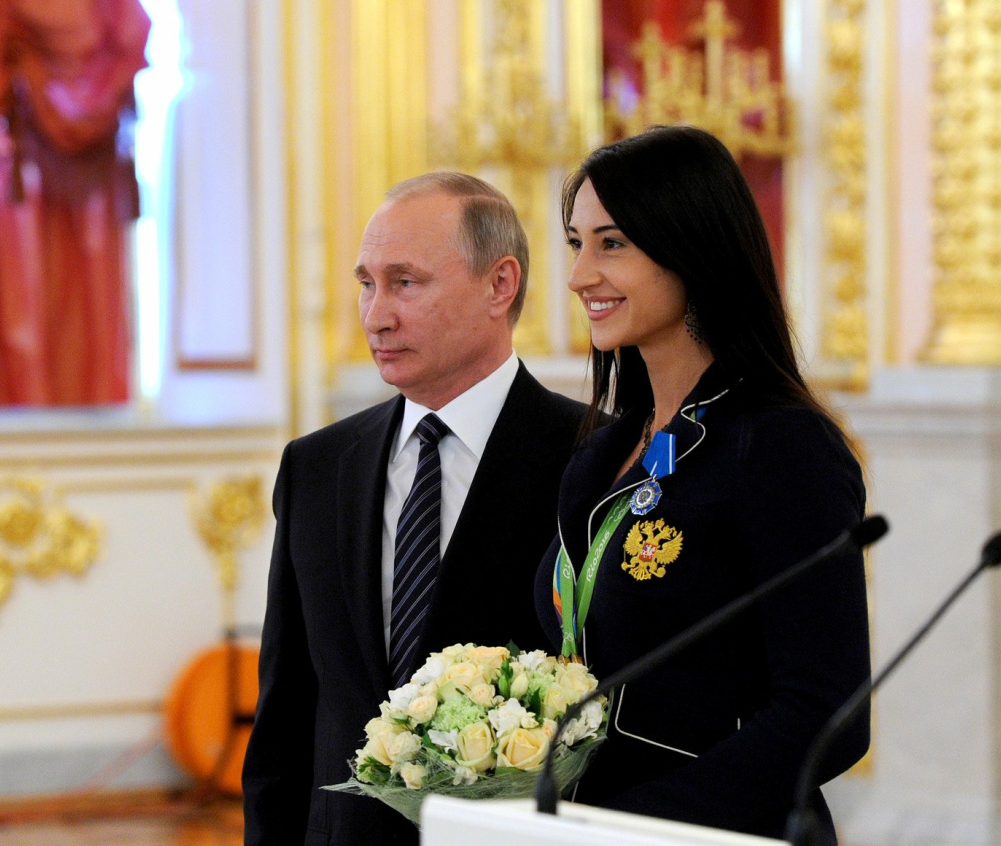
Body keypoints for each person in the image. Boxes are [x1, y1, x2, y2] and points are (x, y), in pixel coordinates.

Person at [533, 125, 870, 844]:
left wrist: (632, 825)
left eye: (612, 244)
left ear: (691, 248)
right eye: (576, 243)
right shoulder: (602, 451)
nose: (579, 274)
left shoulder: (779, 445)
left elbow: (827, 714)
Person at [244, 172, 585, 845]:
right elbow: (286, 712)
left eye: (405, 282)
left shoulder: (592, 459)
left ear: (500, 284)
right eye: (366, 284)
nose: (376, 316)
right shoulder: (316, 468)